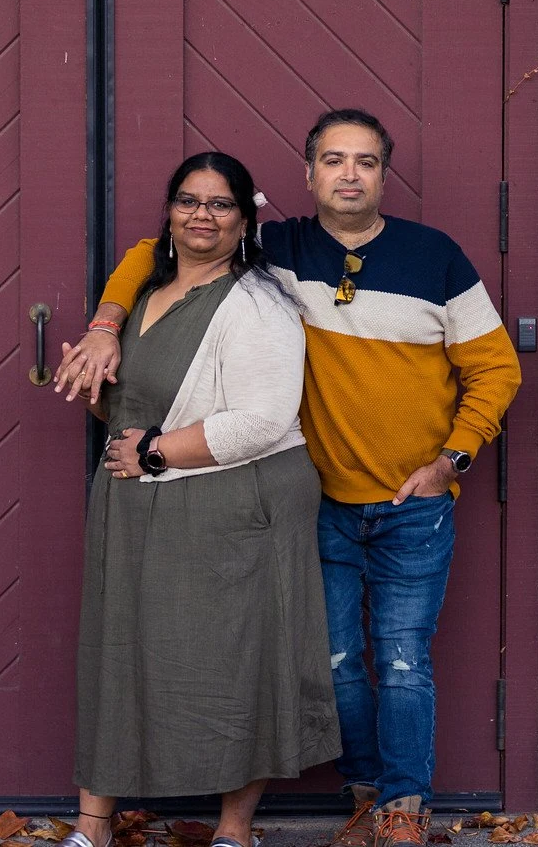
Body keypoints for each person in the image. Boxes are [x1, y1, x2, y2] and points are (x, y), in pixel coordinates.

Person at [54, 109, 521, 847]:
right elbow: (156, 250)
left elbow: (496, 367)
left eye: (365, 161)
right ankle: (368, 796)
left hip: (411, 500)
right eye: (333, 160)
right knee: (332, 663)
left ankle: (404, 810)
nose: (349, 174)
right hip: (324, 499)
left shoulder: (436, 256)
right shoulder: (276, 246)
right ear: (307, 175)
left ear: (383, 174)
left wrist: (452, 460)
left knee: (401, 660)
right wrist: (108, 321)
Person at [57, 151, 339, 847]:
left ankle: (234, 830)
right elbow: (130, 405)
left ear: (245, 220)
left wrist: (151, 452)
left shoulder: (259, 302)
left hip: (237, 502)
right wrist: (94, 381)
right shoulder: (143, 294)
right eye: (189, 200)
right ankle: (92, 827)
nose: (202, 216)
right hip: (136, 501)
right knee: (117, 653)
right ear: (169, 211)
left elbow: (262, 419)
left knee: (241, 662)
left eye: (220, 205)